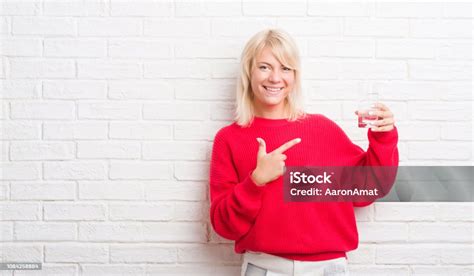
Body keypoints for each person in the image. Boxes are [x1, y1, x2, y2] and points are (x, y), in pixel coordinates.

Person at [209, 29, 398, 276]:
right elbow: (224, 226)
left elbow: (367, 190)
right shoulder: (229, 139)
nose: (275, 78)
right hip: (264, 268)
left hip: (328, 269)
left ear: (295, 76)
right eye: (265, 67)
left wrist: (384, 137)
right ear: (249, 72)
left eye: (285, 68)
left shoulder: (323, 129)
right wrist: (255, 181)